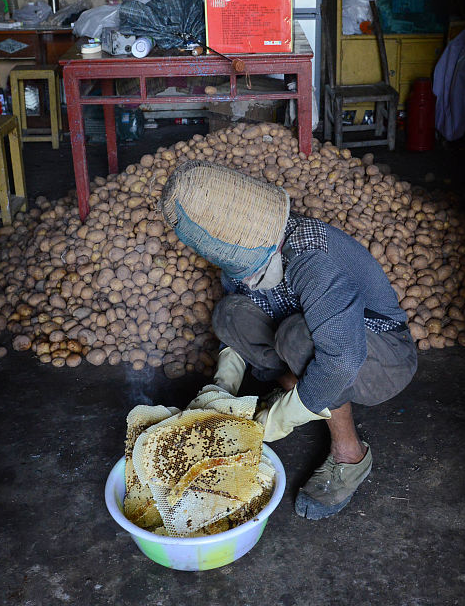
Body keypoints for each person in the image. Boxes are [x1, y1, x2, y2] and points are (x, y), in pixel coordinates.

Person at [160, 160, 418, 519]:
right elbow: (239, 312)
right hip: (307, 333)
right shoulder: (240, 238)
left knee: (298, 339)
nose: (245, 280)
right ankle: (297, 388)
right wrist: (219, 390)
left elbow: (341, 360)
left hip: (381, 354)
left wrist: (278, 421)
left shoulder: (313, 258)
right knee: (229, 313)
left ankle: (349, 454)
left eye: (250, 272)